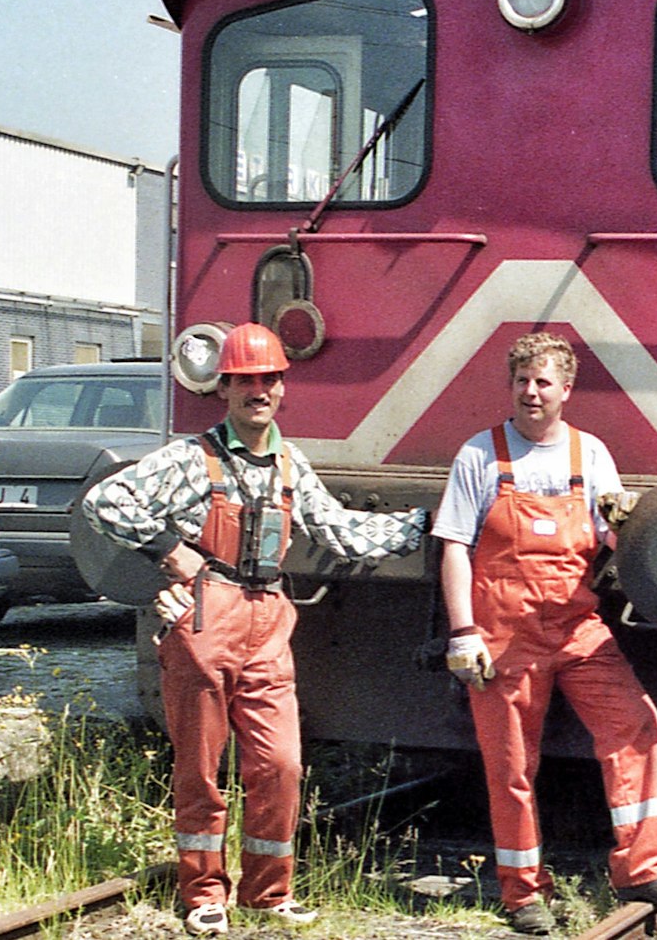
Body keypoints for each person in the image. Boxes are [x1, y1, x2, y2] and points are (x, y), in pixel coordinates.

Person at [83, 323, 428, 937]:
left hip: (268, 618)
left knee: (281, 765)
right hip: (206, 613)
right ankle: (204, 894)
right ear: (226, 388)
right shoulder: (192, 459)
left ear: (282, 388)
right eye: (245, 380)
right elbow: (104, 503)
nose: (257, 390)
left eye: (268, 379)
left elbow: (341, 532)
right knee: (201, 769)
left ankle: (267, 894)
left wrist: (423, 524)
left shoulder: (291, 465)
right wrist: (169, 549)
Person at [430, 331, 657, 935]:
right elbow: (454, 547)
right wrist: (463, 633)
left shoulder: (590, 456)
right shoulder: (481, 455)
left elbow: (611, 537)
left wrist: (637, 532)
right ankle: (524, 893)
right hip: (502, 635)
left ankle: (642, 867)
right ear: (511, 387)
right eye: (522, 382)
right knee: (511, 765)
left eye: (543, 382)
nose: (532, 393)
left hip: (577, 627)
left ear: (566, 390)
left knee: (635, 723)